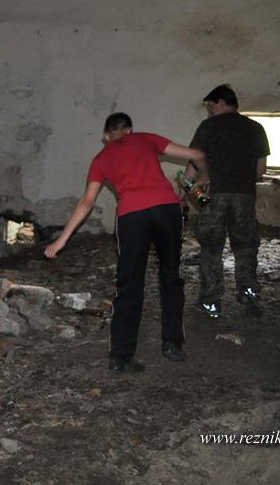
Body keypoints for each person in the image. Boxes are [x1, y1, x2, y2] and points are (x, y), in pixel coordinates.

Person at [44, 113, 205, 372]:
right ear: (130, 130)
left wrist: (62, 239)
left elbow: (87, 201)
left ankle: (120, 357)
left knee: (129, 284)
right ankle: (173, 344)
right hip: (166, 210)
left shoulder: (101, 158)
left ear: (106, 136)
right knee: (171, 277)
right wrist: (201, 180)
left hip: (132, 217)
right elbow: (196, 154)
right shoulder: (147, 138)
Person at [186, 84, 270, 318]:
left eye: (211, 106)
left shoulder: (208, 127)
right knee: (246, 246)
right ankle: (248, 293)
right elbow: (260, 171)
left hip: (213, 196)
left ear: (221, 103)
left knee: (211, 247)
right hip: (245, 196)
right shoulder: (256, 128)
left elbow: (193, 164)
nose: (210, 111)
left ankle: (211, 302)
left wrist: (188, 189)